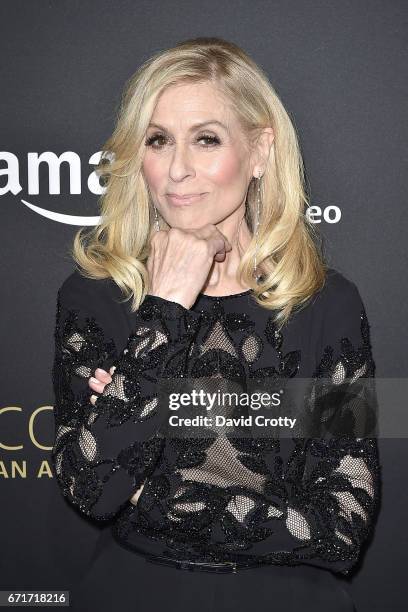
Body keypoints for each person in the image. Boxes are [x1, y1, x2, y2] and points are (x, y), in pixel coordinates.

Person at [51, 37, 380, 612]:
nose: (177, 169)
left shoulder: (326, 305)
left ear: (259, 152)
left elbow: (341, 528)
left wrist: (156, 496)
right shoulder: (95, 298)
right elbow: (95, 490)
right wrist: (167, 307)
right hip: (133, 594)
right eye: (157, 140)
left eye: (207, 139)